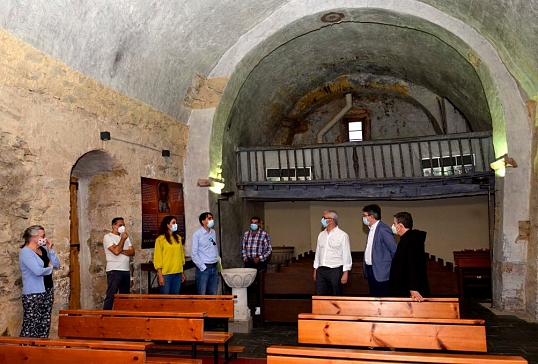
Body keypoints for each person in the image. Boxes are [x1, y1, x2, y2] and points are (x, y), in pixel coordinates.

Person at [19, 225, 60, 337]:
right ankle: (25, 351)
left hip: (47, 290)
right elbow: (37, 271)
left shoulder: (43, 249)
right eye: (43, 236)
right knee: (31, 323)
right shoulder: (25, 252)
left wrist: (50, 249)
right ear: (34, 237)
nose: (45, 238)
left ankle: (40, 349)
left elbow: (57, 264)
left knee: (44, 322)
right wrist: (49, 268)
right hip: (33, 293)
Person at [389, 212, 430, 301]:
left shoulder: (412, 240)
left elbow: (413, 264)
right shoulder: (406, 239)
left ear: (400, 226)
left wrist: (413, 288)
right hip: (402, 285)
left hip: (407, 288)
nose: (392, 226)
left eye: (394, 224)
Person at [313, 210, 352, 296]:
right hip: (321, 270)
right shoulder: (321, 235)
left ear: (331, 220)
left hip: (335, 270)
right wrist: (315, 269)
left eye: (324, 218)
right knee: (319, 296)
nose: (322, 220)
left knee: (336, 295)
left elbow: (346, 254)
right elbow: (318, 252)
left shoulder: (342, 235)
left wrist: (345, 273)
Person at [362, 204, 397, 297]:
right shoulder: (371, 229)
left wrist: (390, 269)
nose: (363, 218)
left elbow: (394, 250)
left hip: (381, 272)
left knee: (383, 299)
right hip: (371, 269)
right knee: (374, 298)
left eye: (365, 215)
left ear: (372, 217)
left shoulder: (383, 229)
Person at [103, 217, 135, 309]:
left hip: (125, 270)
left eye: (124, 225)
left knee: (124, 296)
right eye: (120, 225)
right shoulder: (108, 237)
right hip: (114, 270)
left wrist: (119, 249)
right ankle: (106, 318)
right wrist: (122, 240)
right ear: (113, 226)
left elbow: (132, 252)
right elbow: (116, 252)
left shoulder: (125, 236)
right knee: (111, 295)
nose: (123, 227)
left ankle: (122, 318)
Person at [153, 215, 186, 294]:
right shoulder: (160, 239)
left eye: (176, 223)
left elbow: (181, 256)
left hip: (177, 272)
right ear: (168, 225)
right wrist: (160, 275)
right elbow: (158, 258)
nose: (176, 224)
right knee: (165, 299)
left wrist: (182, 272)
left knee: (175, 298)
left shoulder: (178, 238)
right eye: (173, 223)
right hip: (166, 274)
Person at [192, 212, 220, 295]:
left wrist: (219, 265)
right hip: (204, 268)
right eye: (209, 218)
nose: (212, 220)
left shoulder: (213, 232)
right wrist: (203, 267)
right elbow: (194, 253)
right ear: (203, 221)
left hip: (214, 267)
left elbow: (215, 248)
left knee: (213, 293)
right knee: (202, 294)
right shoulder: (197, 234)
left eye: (212, 218)